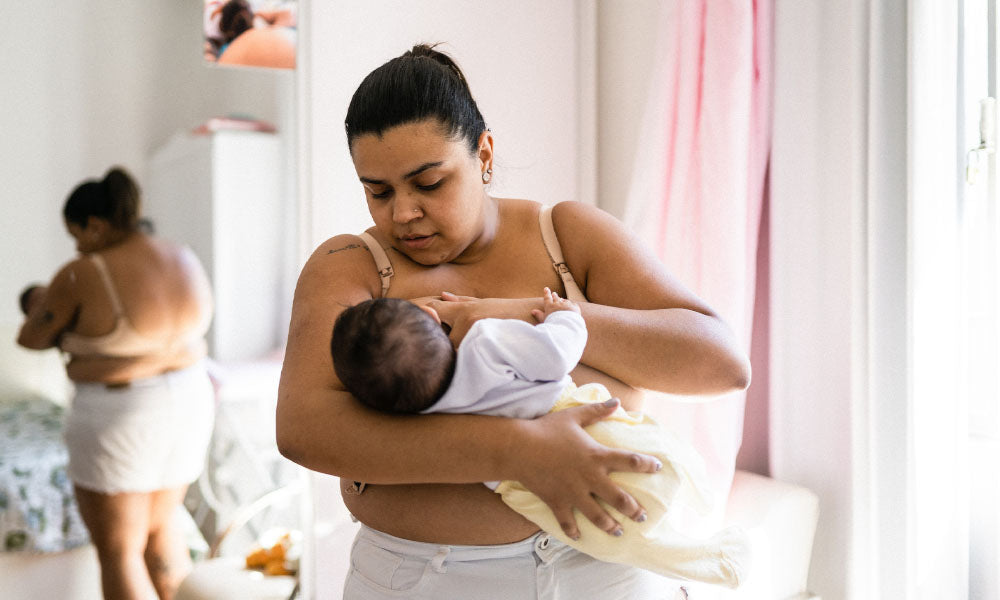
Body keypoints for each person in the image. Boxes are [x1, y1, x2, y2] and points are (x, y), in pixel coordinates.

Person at [276, 44, 751, 599]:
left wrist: (524, 316)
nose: (402, 213)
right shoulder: (352, 266)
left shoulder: (568, 237)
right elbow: (304, 429)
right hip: (425, 581)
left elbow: (721, 365)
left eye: (429, 183)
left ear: (483, 154)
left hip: (604, 576)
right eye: (377, 191)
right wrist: (520, 451)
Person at [331, 289, 749, 588]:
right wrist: (563, 314)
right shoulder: (485, 343)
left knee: (626, 544)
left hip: (525, 492)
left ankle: (708, 563)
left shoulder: (418, 416)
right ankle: (702, 500)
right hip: (585, 426)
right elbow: (557, 354)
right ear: (430, 313)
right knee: (667, 458)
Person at [16, 167, 215, 600]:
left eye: (77, 235)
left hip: (124, 413)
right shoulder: (180, 255)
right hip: (192, 397)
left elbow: (29, 337)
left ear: (97, 225)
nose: (77, 246)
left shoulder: (83, 271)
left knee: (119, 550)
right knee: (163, 529)